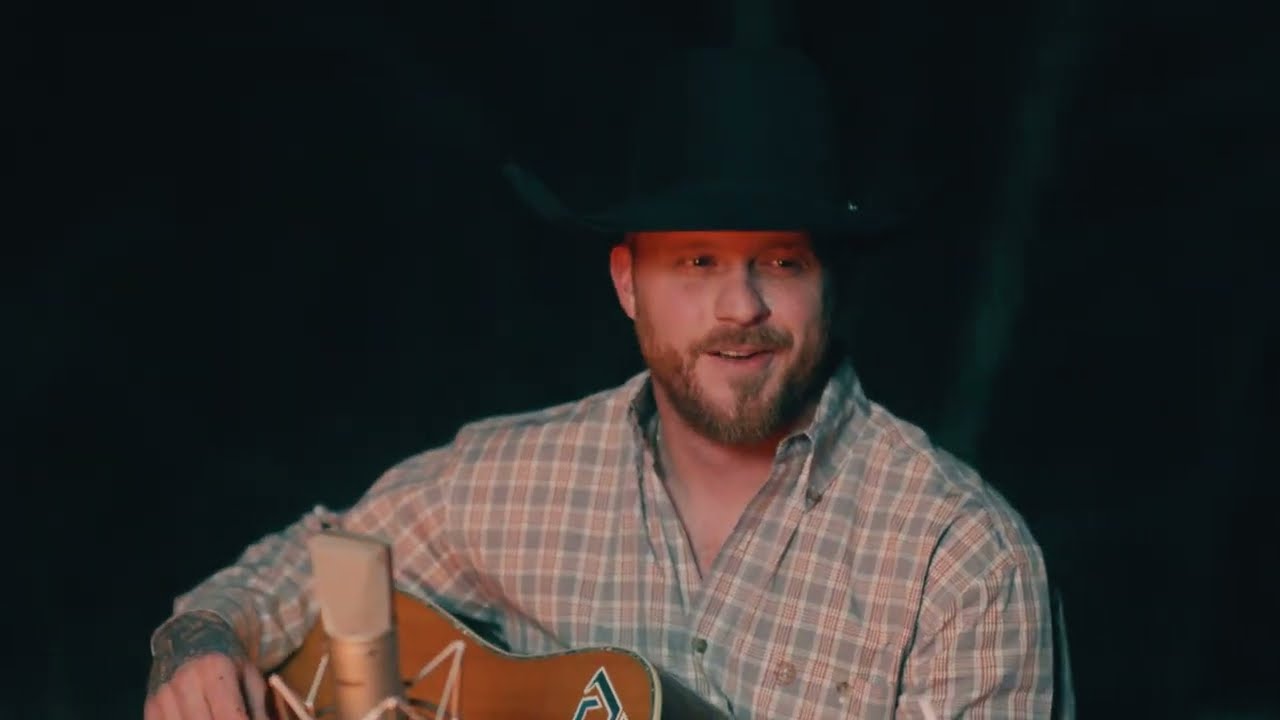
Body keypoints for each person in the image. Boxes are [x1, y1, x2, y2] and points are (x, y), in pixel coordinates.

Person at [144, 47, 1059, 719]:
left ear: (830, 284)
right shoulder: (511, 479)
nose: (740, 305)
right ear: (627, 284)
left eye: (781, 261)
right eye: (696, 262)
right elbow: (315, 562)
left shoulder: (959, 561)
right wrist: (202, 647)